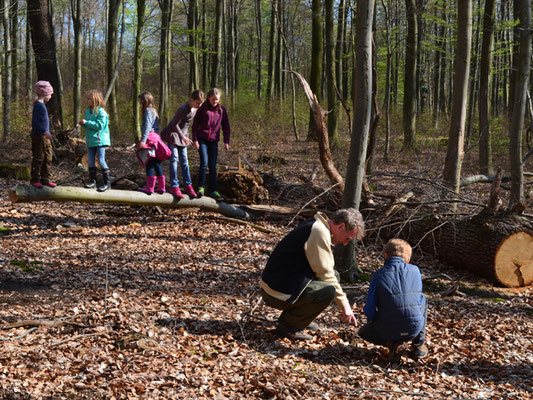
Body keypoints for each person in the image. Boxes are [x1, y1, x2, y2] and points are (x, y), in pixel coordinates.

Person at [260, 208, 365, 341]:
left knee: (335, 277)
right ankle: (288, 326)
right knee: (327, 291)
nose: (345, 243)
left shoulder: (319, 225)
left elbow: (326, 270)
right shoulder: (318, 231)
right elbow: (324, 272)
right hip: (275, 292)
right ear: (341, 226)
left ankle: (300, 319)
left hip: (280, 284)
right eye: (347, 238)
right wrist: (345, 304)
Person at [358, 239, 428, 360]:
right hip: (414, 329)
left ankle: (393, 344)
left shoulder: (378, 275)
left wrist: (373, 320)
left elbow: (369, 309)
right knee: (424, 299)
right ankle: (419, 344)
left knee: (363, 332)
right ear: (407, 259)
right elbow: (418, 302)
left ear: (385, 255)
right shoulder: (416, 271)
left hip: (386, 330)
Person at [160, 90, 205, 199]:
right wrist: (183, 137)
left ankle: (188, 185)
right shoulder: (182, 109)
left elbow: (189, 124)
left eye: (201, 103)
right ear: (191, 99)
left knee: (185, 160)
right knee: (174, 159)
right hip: (173, 134)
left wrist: (191, 137)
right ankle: (174, 186)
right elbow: (174, 124)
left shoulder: (195, 109)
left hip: (183, 135)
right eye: (197, 103)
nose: (199, 105)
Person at [191, 88, 230, 201]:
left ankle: (213, 190)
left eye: (217, 100)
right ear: (208, 98)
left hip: (214, 141)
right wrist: (195, 139)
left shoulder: (221, 110)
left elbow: (226, 127)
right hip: (202, 139)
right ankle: (201, 188)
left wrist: (226, 141)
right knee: (204, 162)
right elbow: (195, 125)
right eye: (213, 99)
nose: (215, 102)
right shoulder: (203, 108)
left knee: (213, 166)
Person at [136, 91, 171, 195]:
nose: (140, 103)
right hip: (156, 138)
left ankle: (150, 188)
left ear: (144, 100)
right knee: (156, 163)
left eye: (140, 101)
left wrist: (143, 141)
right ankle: (162, 187)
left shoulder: (147, 110)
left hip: (150, 139)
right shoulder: (154, 110)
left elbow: (147, 127)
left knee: (149, 163)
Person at [79, 90, 111, 192]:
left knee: (101, 160)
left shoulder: (101, 112)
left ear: (95, 99)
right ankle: (92, 181)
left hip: (100, 140)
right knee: (90, 161)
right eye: (87, 98)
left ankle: (107, 183)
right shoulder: (87, 111)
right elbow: (89, 126)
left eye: (89, 98)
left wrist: (87, 122)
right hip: (90, 140)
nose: (86, 100)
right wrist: (83, 123)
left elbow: (99, 126)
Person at [30, 81, 56, 188]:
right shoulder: (38, 106)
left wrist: (47, 132)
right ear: (44, 94)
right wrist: (44, 131)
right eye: (50, 94)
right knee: (39, 157)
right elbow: (35, 122)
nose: (50, 96)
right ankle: (35, 179)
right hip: (39, 136)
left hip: (45, 136)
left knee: (48, 157)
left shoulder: (42, 105)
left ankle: (45, 178)